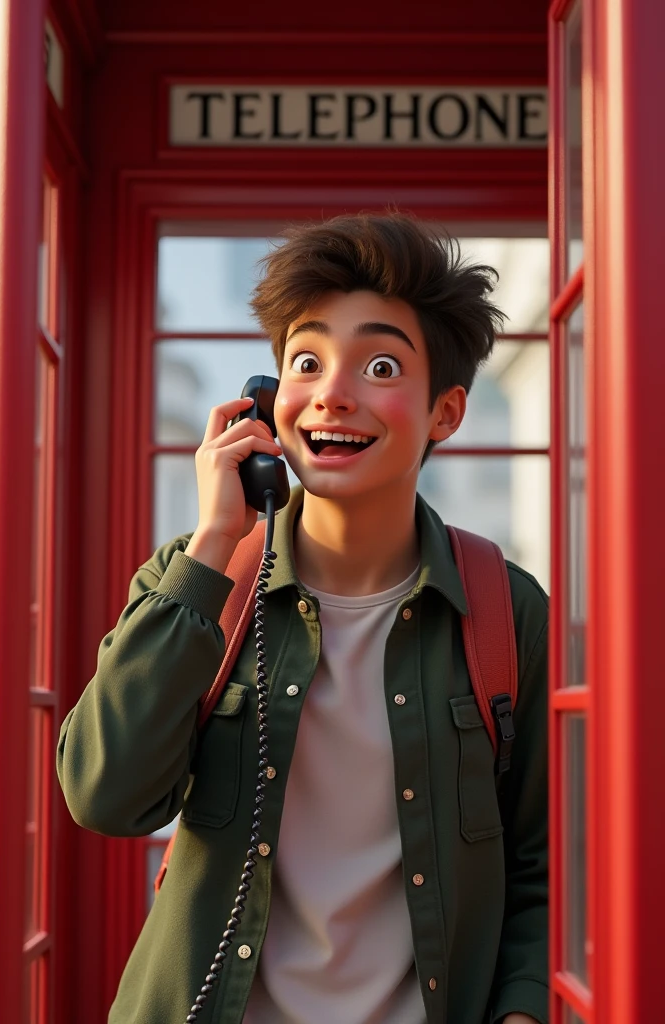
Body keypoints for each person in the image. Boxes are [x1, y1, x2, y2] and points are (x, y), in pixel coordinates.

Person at [57, 212, 548, 1024]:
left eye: (380, 363)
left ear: (445, 413)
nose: (331, 393)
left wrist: (523, 1011)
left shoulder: (504, 608)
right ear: (268, 398)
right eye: (307, 360)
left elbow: (539, 865)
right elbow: (103, 798)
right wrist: (217, 539)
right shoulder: (201, 581)